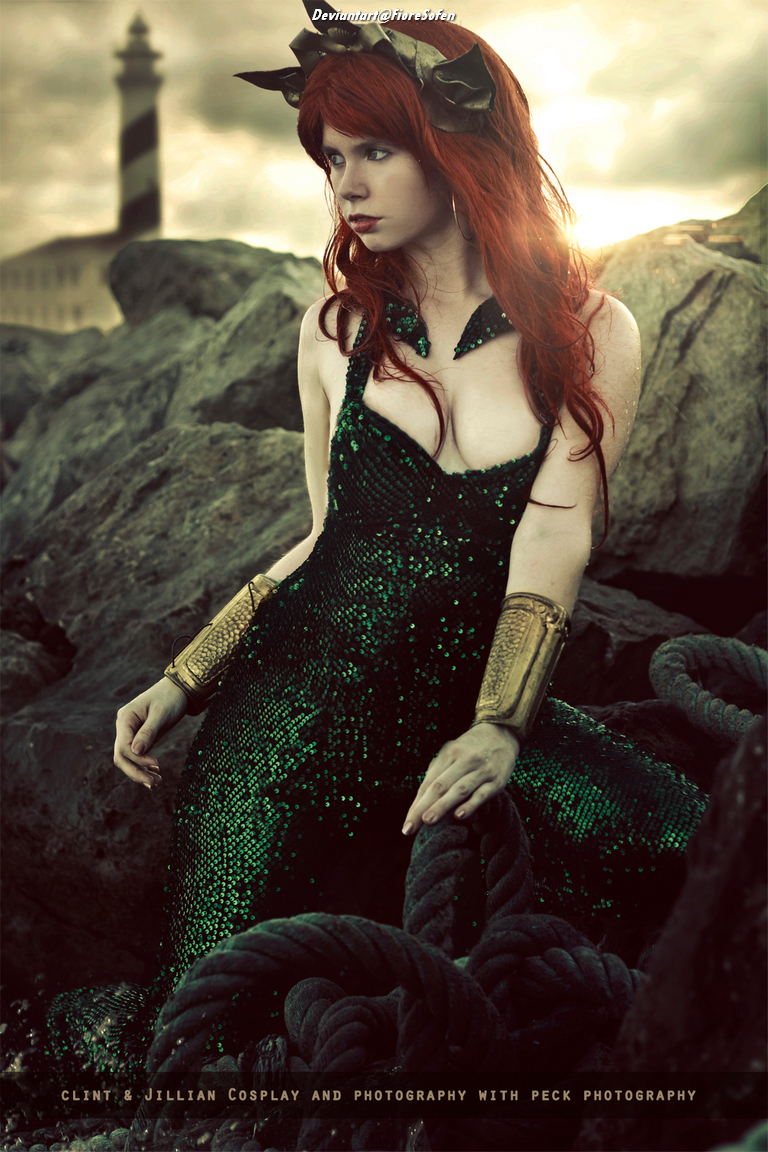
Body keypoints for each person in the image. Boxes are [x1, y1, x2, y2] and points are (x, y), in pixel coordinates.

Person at [55, 3, 705, 1082]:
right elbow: (321, 543)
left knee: (689, 848)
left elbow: (554, 545)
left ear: (456, 148)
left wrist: (500, 727)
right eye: (329, 159)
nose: (343, 187)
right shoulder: (334, 331)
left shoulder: (592, 331)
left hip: (460, 719)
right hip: (285, 737)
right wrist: (184, 678)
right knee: (226, 1024)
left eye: (374, 151)